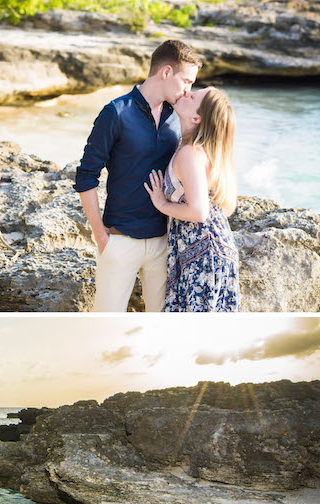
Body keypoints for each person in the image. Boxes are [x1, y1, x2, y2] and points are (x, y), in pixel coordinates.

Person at [75, 40, 202, 312]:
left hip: (163, 242)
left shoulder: (176, 116)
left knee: (159, 328)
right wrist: (101, 236)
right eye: (187, 81)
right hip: (120, 240)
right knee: (106, 327)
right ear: (166, 72)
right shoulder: (116, 113)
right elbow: (86, 175)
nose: (189, 91)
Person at [143, 87, 240, 311]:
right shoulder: (192, 149)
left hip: (205, 255)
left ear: (196, 117)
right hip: (205, 251)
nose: (187, 92)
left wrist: (162, 204)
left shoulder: (191, 153)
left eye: (193, 96)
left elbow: (198, 212)